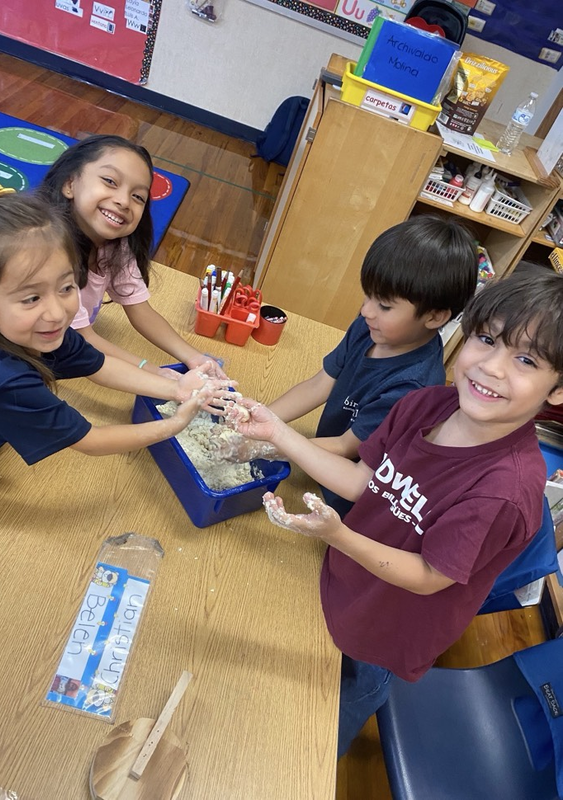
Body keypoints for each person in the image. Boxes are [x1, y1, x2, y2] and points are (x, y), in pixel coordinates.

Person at [224, 266, 563, 756]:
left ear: (557, 391)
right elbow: (366, 480)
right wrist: (278, 433)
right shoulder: (428, 404)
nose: (491, 367)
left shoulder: (504, 489)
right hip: (346, 581)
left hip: (386, 631)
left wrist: (337, 535)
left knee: (310, 743)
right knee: (284, 693)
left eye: (526, 360)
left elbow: (429, 575)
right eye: (486, 339)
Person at [0, 184, 232, 487]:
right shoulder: (0, 379)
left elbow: (98, 364)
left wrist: (177, 390)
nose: (56, 312)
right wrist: (174, 424)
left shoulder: (28, 328)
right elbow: (91, 440)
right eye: (31, 298)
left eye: (66, 287)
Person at [217, 215, 478, 517]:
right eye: (368, 295)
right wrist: (255, 423)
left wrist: (262, 446)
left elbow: (345, 447)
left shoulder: (411, 386)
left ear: (434, 317)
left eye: (385, 305)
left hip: (342, 496)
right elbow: (318, 385)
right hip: (310, 456)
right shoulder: (370, 327)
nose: (366, 310)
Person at [40, 134, 226, 379]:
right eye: (110, 181)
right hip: (31, 360)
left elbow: (140, 310)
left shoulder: (115, 247)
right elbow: (82, 340)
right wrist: (156, 374)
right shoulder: (47, 252)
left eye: (138, 196)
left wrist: (195, 358)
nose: (124, 201)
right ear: (70, 183)